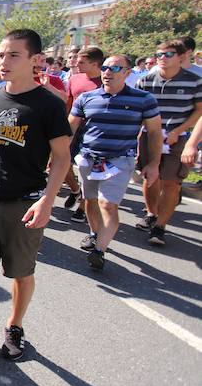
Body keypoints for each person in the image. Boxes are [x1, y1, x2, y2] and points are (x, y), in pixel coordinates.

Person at [0, 29, 71, 360]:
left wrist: (47, 201)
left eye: (13, 55)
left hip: (26, 202)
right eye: (1, 55)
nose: (4, 61)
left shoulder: (49, 105)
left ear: (35, 60)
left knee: (21, 272)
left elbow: (61, 157)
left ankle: (15, 325)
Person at [68, 54, 161, 270]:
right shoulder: (86, 98)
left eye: (115, 68)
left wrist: (153, 163)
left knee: (108, 204)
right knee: (90, 201)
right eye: (105, 68)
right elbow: (69, 129)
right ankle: (94, 234)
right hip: (88, 159)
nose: (108, 72)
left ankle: (99, 251)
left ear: (128, 73)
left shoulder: (144, 99)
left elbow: (155, 132)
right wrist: (58, 156)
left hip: (120, 161)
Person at [135, 39, 202, 246]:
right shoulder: (145, 81)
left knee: (172, 182)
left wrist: (182, 134)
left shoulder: (194, 81)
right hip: (149, 136)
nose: (162, 58)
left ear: (181, 57)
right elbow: (138, 112)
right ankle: (151, 213)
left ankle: (160, 226)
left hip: (177, 138)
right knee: (150, 176)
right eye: (159, 54)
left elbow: (199, 111)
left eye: (168, 54)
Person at [62, 47, 104, 223]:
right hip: (73, 126)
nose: (75, 64)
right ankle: (75, 190)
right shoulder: (74, 78)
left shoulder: (105, 80)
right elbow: (69, 103)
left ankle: (82, 207)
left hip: (94, 130)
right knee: (60, 162)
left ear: (95, 64)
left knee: (88, 169)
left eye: (81, 62)